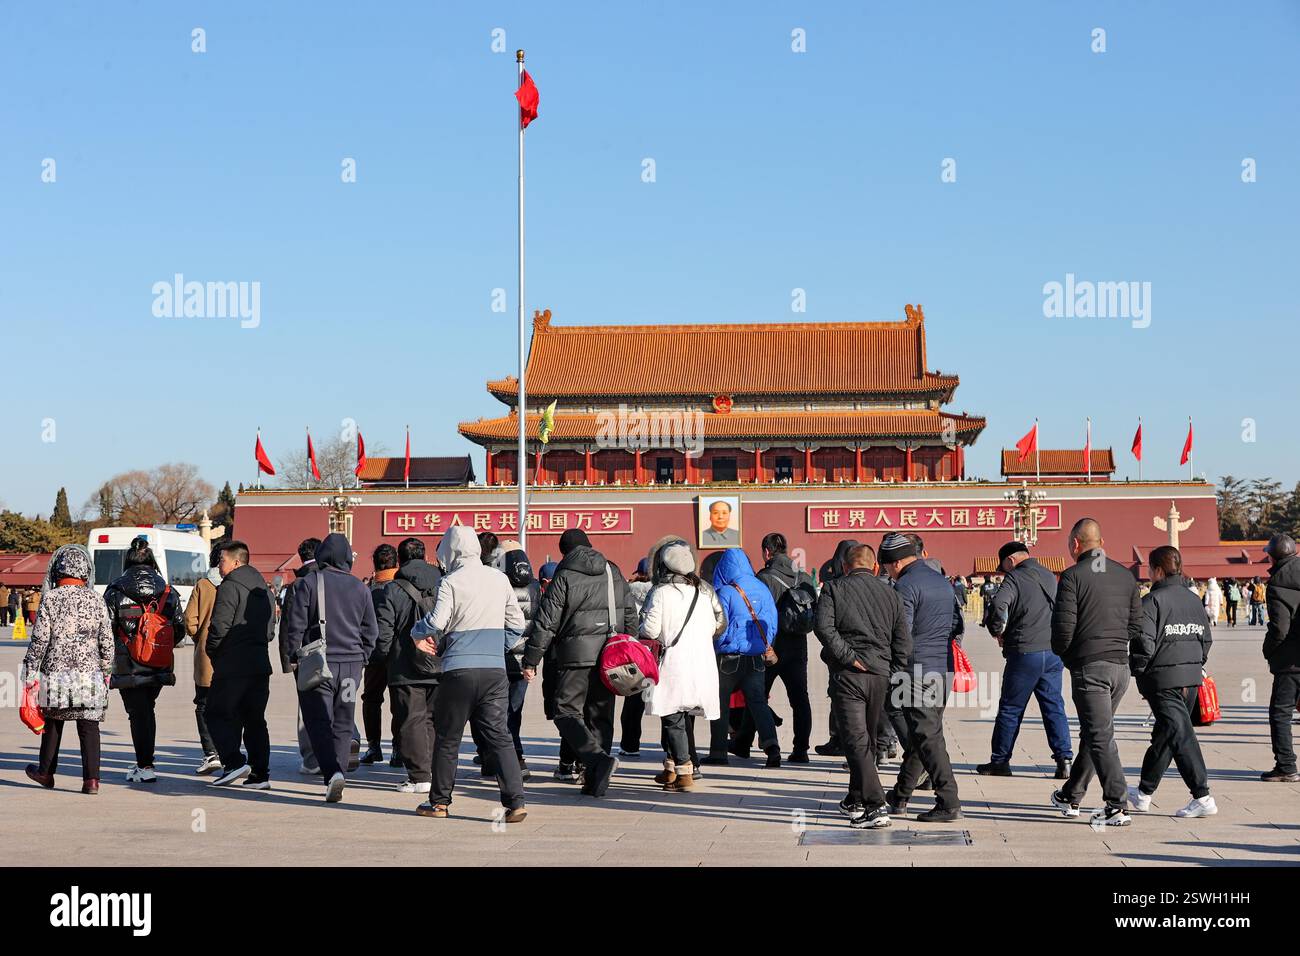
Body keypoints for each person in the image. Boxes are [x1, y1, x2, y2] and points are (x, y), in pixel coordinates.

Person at [410, 527, 527, 822]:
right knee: (500, 737)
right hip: (494, 671)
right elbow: (517, 623)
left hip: (458, 670)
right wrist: (494, 646)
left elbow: (437, 621)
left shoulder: (451, 581)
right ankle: (516, 802)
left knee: (448, 738)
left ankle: (439, 803)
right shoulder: (500, 579)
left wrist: (416, 632)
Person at [521, 528, 637, 798]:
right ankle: (595, 779)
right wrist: (628, 646)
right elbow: (630, 612)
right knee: (601, 716)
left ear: (565, 551)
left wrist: (531, 660)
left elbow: (546, 622)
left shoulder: (564, 575)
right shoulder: (613, 571)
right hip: (610, 655)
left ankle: (596, 761)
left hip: (575, 657)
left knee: (565, 712)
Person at [1049, 518, 1142, 826]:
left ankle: (1117, 804)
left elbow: (1063, 629)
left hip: (1091, 668)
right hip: (1119, 667)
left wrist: (1068, 655)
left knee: (1100, 735)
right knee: (1095, 733)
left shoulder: (1073, 576)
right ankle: (1071, 795)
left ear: (1076, 544)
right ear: (1101, 543)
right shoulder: (1125, 576)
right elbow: (1136, 625)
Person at [815, 543, 911, 828]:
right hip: (879, 675)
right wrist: (891, 668)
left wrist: (848, 657)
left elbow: (823, 628)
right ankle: (855, 798)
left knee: (856, 740)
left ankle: (874, 805)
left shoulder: (834, 589)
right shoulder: (891, 593)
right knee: (864, 740)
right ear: (875, 567)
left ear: (845, 566)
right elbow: (903, 640)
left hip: (850, 675)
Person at [283, 533, 379, 803]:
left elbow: (296, 626)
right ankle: (339, 772)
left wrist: (294, 656)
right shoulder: (361, 588)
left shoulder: (309, 583)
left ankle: (332, 772)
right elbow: (371, 631)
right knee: (344, 720)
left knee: (318, 720)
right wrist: (363, 658)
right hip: (351, 667)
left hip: (318, 664)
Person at [877, 533, 962, 822]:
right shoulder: (941, 580)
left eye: (887, 566)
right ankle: (899, 796)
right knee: (921, 734)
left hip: (916, 672)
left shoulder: (905, 586)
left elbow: (902, 634)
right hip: (942, 668)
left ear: (897, 562)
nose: (887, 571)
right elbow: (954, 625)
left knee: (928, 737)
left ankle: (948, 800)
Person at [1127, 545, 1216, 817]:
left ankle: (1202, 796)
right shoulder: (1193, 599)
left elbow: (1144, 643)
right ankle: (1143, 793)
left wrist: (1140, 671)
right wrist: (1195, 665)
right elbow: (1206, 640)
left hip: (1164, 680)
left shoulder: (1152, 602)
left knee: (1180, 734)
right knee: (1167, 735)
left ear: (1157, 570)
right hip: (1190, 678)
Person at [21, 546, 114, 794]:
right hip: (90, 675)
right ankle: (91, 781)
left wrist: (29, 674)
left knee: (53, 722)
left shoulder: (50, 598)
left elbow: (40, 640)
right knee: (89, 726)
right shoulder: (96, 599)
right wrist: (106, 670)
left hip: (57, 675)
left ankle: (46, 772)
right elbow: (107, 640)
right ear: (85, 571)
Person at [978, 541, 1073, 778]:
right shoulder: (1049, 575)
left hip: (1024, 653)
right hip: (1052, 653)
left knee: (1010, 708)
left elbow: (999, 605)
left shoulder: (1014, 578)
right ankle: (1064, 760)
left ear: (1010, 561)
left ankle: (1000, 760)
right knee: (1053, 706)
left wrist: (997, 631)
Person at [640, 542, 724, 791]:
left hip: (674, 663)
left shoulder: (661, 593)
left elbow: (650, 630)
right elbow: (713, 628)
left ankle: (685, 770)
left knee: (673, 716)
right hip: (700, 662)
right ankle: (670, 768)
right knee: (680, 714)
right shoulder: (702, 594)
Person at [104, 538, 184, 785]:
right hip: (158, 660)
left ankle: (145, 766)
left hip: (128, 660)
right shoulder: (168, 591)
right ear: (152, 562)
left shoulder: (115, 590)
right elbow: (179, 629)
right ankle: (145, 761)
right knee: (146, 709)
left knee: (138, 713)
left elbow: (106, 628)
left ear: (127, 562)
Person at [732, 532, 816, 763]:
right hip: (798, 646)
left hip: (770, 648)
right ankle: (801, 750)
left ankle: (743, 742)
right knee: (800, 699)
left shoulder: (764, 578)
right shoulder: (805, 578)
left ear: (767, 552)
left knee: (756, 697)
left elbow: (755, 613)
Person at [205, 540, 275, 790]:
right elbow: (270, 631)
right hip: (259, 663)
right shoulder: (264, 589)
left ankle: (233, 762)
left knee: (214, 712)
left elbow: (219, 627)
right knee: (255, 719)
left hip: (233, 664)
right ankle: (260, 774)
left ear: (236, 562)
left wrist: (213, 651)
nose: (218, 566)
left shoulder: (229, 587)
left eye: (221, 561)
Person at [704, 548, 782, 768]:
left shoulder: (727, 592)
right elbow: (773, 624)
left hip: (729, 657)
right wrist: (764, 645)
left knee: (720, 704)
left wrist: (719, 648)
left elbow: (720, 627)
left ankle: (718, 752)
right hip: (756, 656)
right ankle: (772, 747)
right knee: (758, 703)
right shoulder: (762, 588)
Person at [376, 536, 443, 794]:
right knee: (432, 719)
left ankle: (418, 776)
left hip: (404, 664)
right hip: (438, 660)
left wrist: (383, 657)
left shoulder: (392, 590)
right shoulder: (443, 585)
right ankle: (434, 771)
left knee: (410, 720)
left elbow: (384, 632)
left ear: (400, 561)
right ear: (425, 557)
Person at [1261, 533, 1300, 782]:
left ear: (1274, 556)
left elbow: (1279, 629)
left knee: (1280, 712)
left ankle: (1286, 765)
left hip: (1291, 661)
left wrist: (1268, 649)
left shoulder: (1277, 584)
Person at [183, 546, 224, 775]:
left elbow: (190, 620)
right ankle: (229, 751)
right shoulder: (236, 584)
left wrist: (199, 637)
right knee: (229, 705)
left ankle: (211, 753)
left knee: (204, 705)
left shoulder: (203, 585)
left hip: (206, 654)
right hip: (232, 654)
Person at [359, 543, 400, 765]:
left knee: (371, 699)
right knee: (399, 701)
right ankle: (398, 749)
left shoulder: (368, 591)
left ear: (375, 564)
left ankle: (374, 747)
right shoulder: (403, 588)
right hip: (399, 655)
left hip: (374, 654)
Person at [617, 557, 653, 757]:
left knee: (633, 703)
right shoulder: (661, 593)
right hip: (659, 655)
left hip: (635, 656)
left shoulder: (626, 594)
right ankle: (670, 746)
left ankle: (630, 745)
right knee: (667, 706)